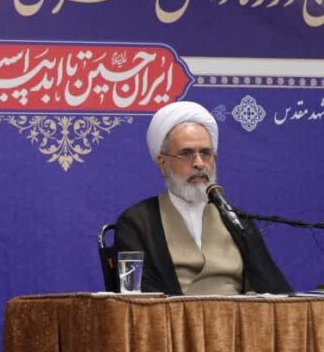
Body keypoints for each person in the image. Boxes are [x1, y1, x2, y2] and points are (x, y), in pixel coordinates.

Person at [114, 101, 292, 295]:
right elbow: (139, 299)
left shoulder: (236, 221)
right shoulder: (138, 222)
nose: (199, 163)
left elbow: (273, 290)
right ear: (163, 163)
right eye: (186, 153)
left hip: (238, 314)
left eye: (205, 153)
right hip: (174, 315)